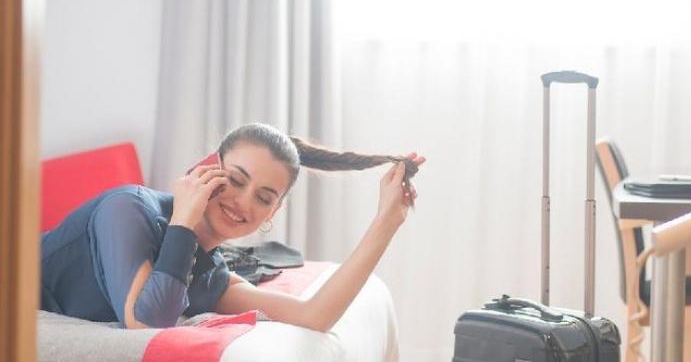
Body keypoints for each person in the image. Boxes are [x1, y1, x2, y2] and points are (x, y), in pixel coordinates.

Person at [40, 123, 425, 331]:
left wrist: (386, 223)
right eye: (236, 180)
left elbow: (314, 316)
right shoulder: (127, 208)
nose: (243, 202)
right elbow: (145, 321)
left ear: (274, 211)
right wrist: (185, 219)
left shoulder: (212, 277)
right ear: (208, 166)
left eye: (264, 197)